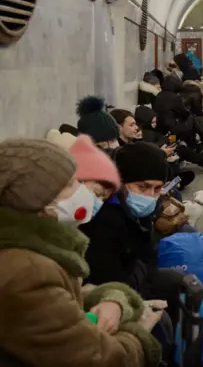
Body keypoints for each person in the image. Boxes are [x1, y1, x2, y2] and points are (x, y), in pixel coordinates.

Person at [0, 139, 162, 367]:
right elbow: (97, 359)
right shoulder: (28, 270)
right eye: (69, 184)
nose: (80, 191)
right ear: (35, 198)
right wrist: (138, 335)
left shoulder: (38, 249)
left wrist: (115, 300)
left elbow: (68, 296)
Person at [79, 142, 185, 328]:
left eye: (157, 188)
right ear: (122, 183)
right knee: (162, 320)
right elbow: (109, 281)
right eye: (142, 187)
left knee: (176, 281)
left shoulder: (138, 212)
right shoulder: (102, 219)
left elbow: (149, 259)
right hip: (107, 296)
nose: (150, 196)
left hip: (134, 280)